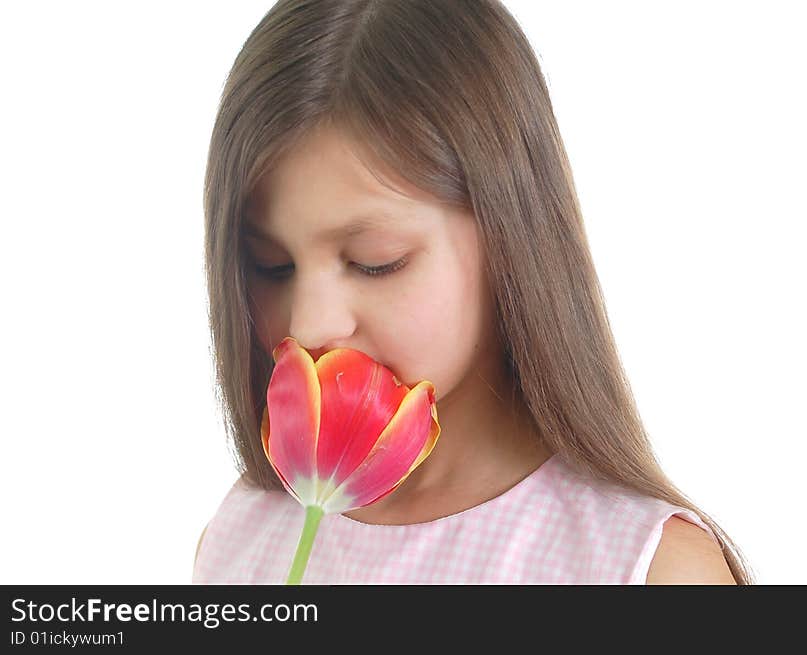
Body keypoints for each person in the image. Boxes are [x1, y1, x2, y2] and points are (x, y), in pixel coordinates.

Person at [193, 0, 753, 584]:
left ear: (510, 237)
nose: (308, 326)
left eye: (375, 263)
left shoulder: (644, 568)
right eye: (271, 266)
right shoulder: (241, 537)